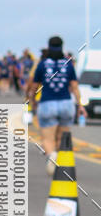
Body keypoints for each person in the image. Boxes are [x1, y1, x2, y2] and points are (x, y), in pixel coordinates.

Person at [26, 35, 85, 174]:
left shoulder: (42, 64)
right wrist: (80, 105)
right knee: (61, 137)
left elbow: (34, 86)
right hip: (66, 103)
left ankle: (51, 156)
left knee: (47, 138)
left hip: (47, 103)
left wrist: (31, 100)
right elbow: (75, 87)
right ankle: (58, 160)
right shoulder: (68, 64)